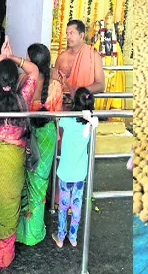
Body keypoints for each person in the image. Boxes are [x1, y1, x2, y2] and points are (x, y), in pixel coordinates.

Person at [0, 38, 39, 269]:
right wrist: (13, 58)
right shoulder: (24, 99)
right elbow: (34, 69)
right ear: (15, 80)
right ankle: (3, 256)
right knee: (9, 203)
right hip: (13, 159)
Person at [16, 43, 63, 246]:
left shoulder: (24, 81)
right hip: (47, 136)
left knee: (24, 182)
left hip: (26, 133)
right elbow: (57, 115)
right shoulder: (55, 86)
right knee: (40, 183)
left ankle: (19, 232)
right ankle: (34, 233)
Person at [52, 88, 97, 248]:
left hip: (65, 172)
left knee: (64, 206)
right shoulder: (92, 125)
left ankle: (60, 236)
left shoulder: (68, 120)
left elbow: (58, 119)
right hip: (80, 174)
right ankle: (73, 237)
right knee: (76, 205)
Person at [55, 20, 105, 97]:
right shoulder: (61, 57)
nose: (68, 37)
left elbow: (101, 85)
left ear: (81, 35)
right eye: (67, 33)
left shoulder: (93, 55)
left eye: (71, 33)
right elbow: (54, 83)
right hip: (63, 105)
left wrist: (80, 91)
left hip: (83, 103)